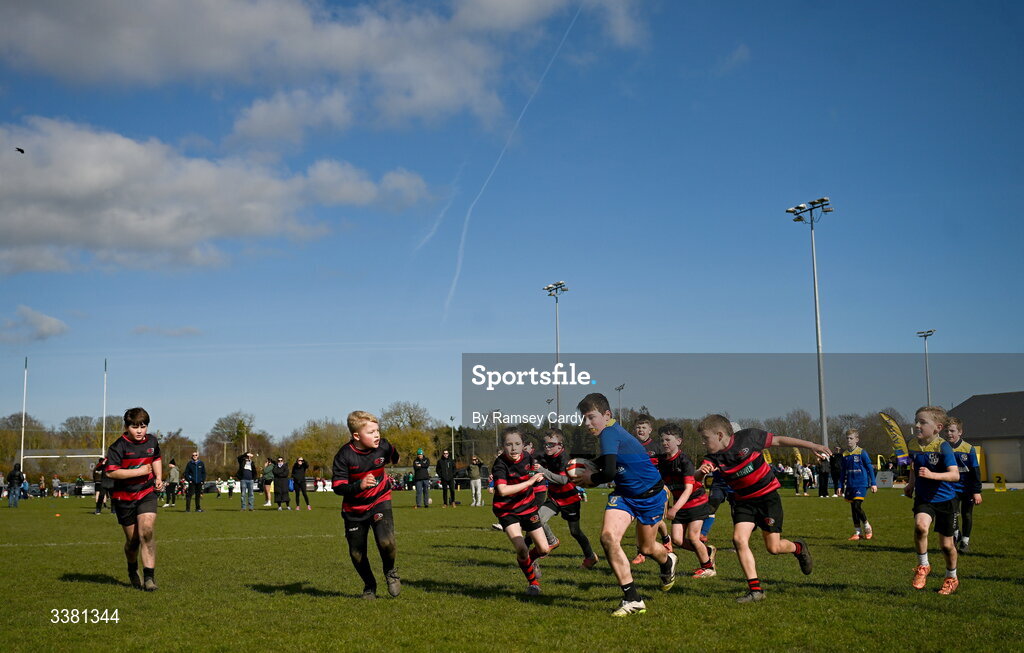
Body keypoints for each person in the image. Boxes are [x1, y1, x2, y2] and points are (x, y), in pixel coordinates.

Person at [696, 414, 828, 603]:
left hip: (767, 498)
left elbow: (779, 440)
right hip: (743, 502)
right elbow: (697, 476)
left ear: (719, 435)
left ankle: (798, 548)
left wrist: (813, 445)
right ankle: (756, 591)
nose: (703, 443)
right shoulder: (712, 458)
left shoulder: (748, 437)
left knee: (773, 547)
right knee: (739, 539)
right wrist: (701, 472)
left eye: (705, 438)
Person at [574, 394, 677, 617]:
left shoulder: (609, 433)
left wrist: (591, 478)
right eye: (584, 418)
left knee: (647, 548)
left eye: (591, 417)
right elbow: (613, 462)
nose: (587, 423)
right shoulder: (610, 432)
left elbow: (609, 472)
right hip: (624, 495)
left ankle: (667, 561)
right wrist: (589, 465)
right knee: (608, 537)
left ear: (607, 415)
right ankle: (632, 598)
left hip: (650, 496)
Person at [331, 410, 401, 599]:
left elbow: (395, 457)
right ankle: (369, 585)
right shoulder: (344, 456)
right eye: (371, 432)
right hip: (354, 510)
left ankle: (390, 572)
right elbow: (338, 487)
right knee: (356, 554)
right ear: (356, 436)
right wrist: (358, 485)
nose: (377, 435)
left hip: (380, 500)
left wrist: (388, 472)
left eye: (377, 430)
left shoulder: (383, 446)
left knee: (386, 541)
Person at [104, 407, 163, 590]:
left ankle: (149, 578)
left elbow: (156, 458)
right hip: (124, 497)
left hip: (147, 492)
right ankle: (132, 569)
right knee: (133, 541)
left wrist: (159, 478)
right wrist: (137, 471)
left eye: (143, 426)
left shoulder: (152, 441)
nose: (139, 431)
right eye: (135, 427)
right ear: (127, 426)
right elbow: (111, 473)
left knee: (146, 531)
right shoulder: (117, 447)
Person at [905, 406, 961, 595]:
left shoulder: (943, 446)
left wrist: (931, 475)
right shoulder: (913, 444)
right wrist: (910, 484)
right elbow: (914, 466)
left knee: (947, 546)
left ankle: (951, 577)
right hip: (924, 498)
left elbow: (955, 476)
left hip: (946, 500)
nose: (917, 425)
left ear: (937, 427)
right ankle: (923, 566)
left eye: (922, 422)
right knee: (920, 527)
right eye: (916, 421)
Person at [491, 426, 549, 596]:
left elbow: (533, 471)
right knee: (522, 549)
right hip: (507, 511)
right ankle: (533, 583)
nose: (514, 448)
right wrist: (530, 482)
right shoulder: (500, 463)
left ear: (524, 445)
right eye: (509, 444)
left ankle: (528, 562)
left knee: (544, 549)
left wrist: (538, 475)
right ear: (503, 446)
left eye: (517, 443)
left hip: (528, 508)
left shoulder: (528, 458)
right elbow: (502, 490)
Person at [657, 424, 716, 578]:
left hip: (696, 502)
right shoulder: (661, 460)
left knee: (693, 537)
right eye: (662, 440)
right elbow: (664, 486)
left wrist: (674, 509)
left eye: (668, 439)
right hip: (680, 503)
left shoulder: (684, 461)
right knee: (677, 540)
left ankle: (708, 568)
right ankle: (707, 551)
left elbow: (689, 489)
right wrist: (666, 505)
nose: (664, 443)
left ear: (679, 441)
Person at [536, 428, 598, 569]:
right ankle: (551, 541)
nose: (547, 447)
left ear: (560, 445)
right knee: (538, 518)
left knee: (575, 532)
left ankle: (590, 557)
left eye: (551, 444)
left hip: (569, 500)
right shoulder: (545, 456)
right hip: (553, 498)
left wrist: (543, 472)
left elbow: (563, 480)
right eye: (545, 444)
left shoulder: (564, 459)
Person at [630, 414, 672, 564]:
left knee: (658, 520)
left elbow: (667, 467)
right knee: (640, 521)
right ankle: (640, 553)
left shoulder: (658, 447)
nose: (640, 430)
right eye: (638, 427)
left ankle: (666, 539)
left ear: (650, 430)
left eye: (643, 427)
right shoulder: (631, 445)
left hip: (657, 489)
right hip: (638, 490)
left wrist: (666, 484)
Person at [946, 417, 982, 553]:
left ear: (960, 432)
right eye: (947, 431)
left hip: (967, 489)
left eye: (952, 431)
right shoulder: (944, 448)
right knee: (952, 513)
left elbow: (976, 472)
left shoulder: (968, 449)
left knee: (967, 514)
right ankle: (956, 535)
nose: (949, 434)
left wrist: (976, 491)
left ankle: (965, 541)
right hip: (951, 488)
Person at [840, 429, 877, 540]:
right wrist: (839, 485)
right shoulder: (845, 454)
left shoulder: (862, 452)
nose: (849, 440)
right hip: (850, 485)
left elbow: (870, 468)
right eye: (847, 438)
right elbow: (843, 472)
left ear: (857, 440)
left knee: (857, 505)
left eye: (851, 438)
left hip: (861, 483)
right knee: (853, 508)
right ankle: (857, 532)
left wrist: (873, 483)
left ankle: (867, 526)